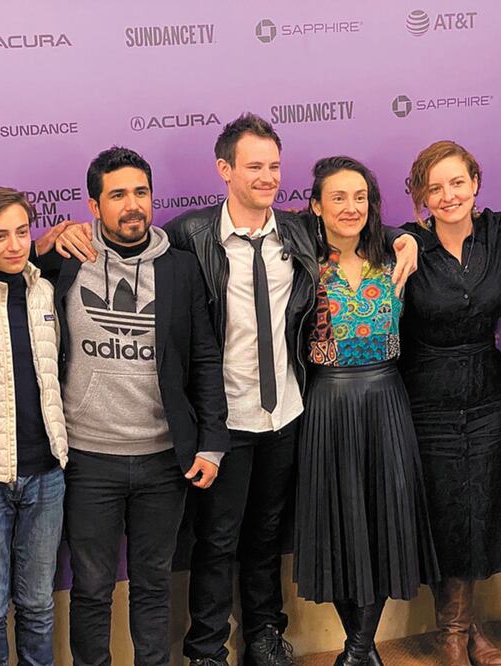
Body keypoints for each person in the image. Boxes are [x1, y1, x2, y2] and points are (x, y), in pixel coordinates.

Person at [161, 114, 419, 666]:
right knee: (217, 539)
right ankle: (207, 650)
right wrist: (59, 236)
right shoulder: (191, 234)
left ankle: (263, 636)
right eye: (254, 166)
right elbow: (131, 245)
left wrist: (405, 238)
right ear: (224, 169)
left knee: (267, 535)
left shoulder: (298, 233)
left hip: (289, 413)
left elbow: (358, 229)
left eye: (275, 166)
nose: (267, 177)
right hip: (224, 418)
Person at [36, 146, 229, 666]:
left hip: (164, 459)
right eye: (117, 194)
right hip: (88, 458)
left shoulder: (181, 270)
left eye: (140, 192)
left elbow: (205, 360)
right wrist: (46, 239)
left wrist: (211, 443)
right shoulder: (65, 259)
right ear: (94, 204)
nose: (132, 205)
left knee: (152, 583)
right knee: (93, 588)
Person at [293, 155, 439, 666]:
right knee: (336, 523)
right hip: (328, 404)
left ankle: (358, 648)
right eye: (338, 197)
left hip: (386, 401)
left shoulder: (395, 255)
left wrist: (408, 236)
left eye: (361, 198)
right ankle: (360, 646)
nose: (351, 207)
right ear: (315, 205)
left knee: (382, 521)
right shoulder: (301, 260)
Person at [398, 141, 501, 666]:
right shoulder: (407, 245)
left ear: (476, 183)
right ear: (421, 195)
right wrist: (399, 236)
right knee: (444, 511)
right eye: (435, 187)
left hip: (486, 395)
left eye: (457, 183)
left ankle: (470, 627)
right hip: (428, 398)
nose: (448, 196)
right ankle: (453, 633)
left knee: (480, 507)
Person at [0, 187, 69, 666]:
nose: (15, 245)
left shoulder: (45, 288)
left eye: (22, 232)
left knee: (39, 604)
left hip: (47, 473)